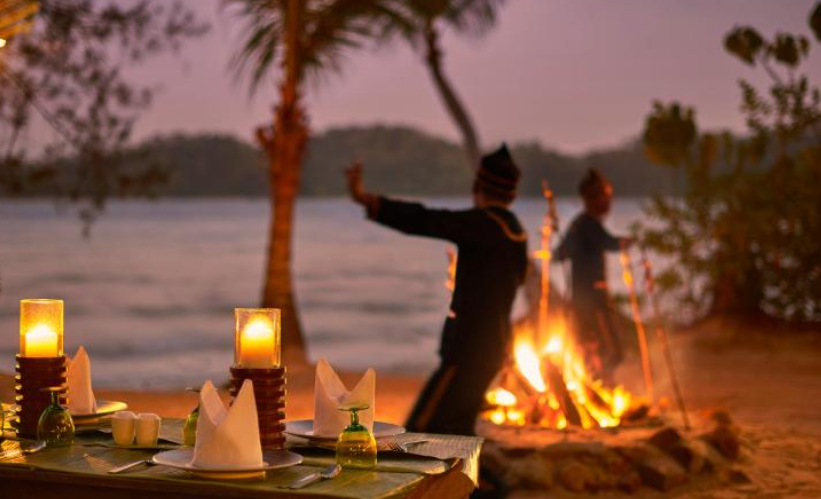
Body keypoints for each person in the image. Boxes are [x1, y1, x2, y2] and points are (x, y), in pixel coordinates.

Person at [344, 145, 528, 436]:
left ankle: (471, 469)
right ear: (512, 195)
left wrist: (366, 200)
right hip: (495, 346)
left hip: (468, 348)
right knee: (457, 428)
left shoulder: (481, 225)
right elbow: (519, 278)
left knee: (424, 429)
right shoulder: (517, 231)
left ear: (477, 187)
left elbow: (424, 219)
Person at [554, 168, 631, 384]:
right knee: (608, 348)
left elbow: (560, 254)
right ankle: (599, 382)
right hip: (591, 298)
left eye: (608, 196)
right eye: (605, 196)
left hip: (585, 297)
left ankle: (599, 383)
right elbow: (608, 243)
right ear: (591, 198)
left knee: (594, 345)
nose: (608, 201)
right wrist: (627, 242)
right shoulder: (586, 225)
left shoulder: (580, 225)